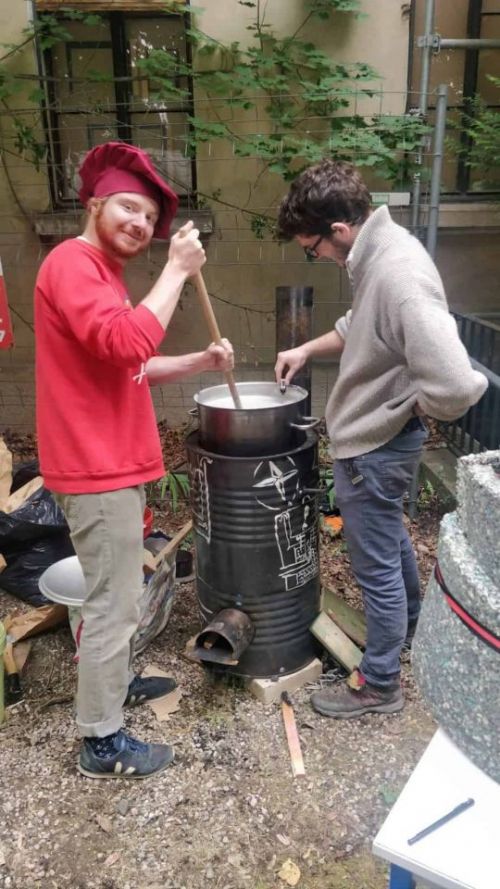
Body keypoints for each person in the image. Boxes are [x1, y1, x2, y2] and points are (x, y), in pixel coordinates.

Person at [34, 141, 234, 778]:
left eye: (150, 216)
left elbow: (135, 365)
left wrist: (200, 362)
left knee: (119, 594)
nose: (141, 224)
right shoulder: (72, 263)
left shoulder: (102, 276)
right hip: (95, 469)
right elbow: (125, 343)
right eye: (128, 207)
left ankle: (112, 690)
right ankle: (101, 741)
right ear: (94, 204)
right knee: (112, 605)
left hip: (113, 464)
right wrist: (175, 270)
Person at [275, 159, 488, 720]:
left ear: (339, 230)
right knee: (390, 545)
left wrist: (417, 404)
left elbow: (457, 382)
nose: (315, 255)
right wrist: (305, 349)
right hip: (380, 445)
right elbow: (359, 326)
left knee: (375, 571)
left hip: (374, 448)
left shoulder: (398, 274)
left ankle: (380, 684)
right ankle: (409, 632)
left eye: (312, 245)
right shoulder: (378, 257)